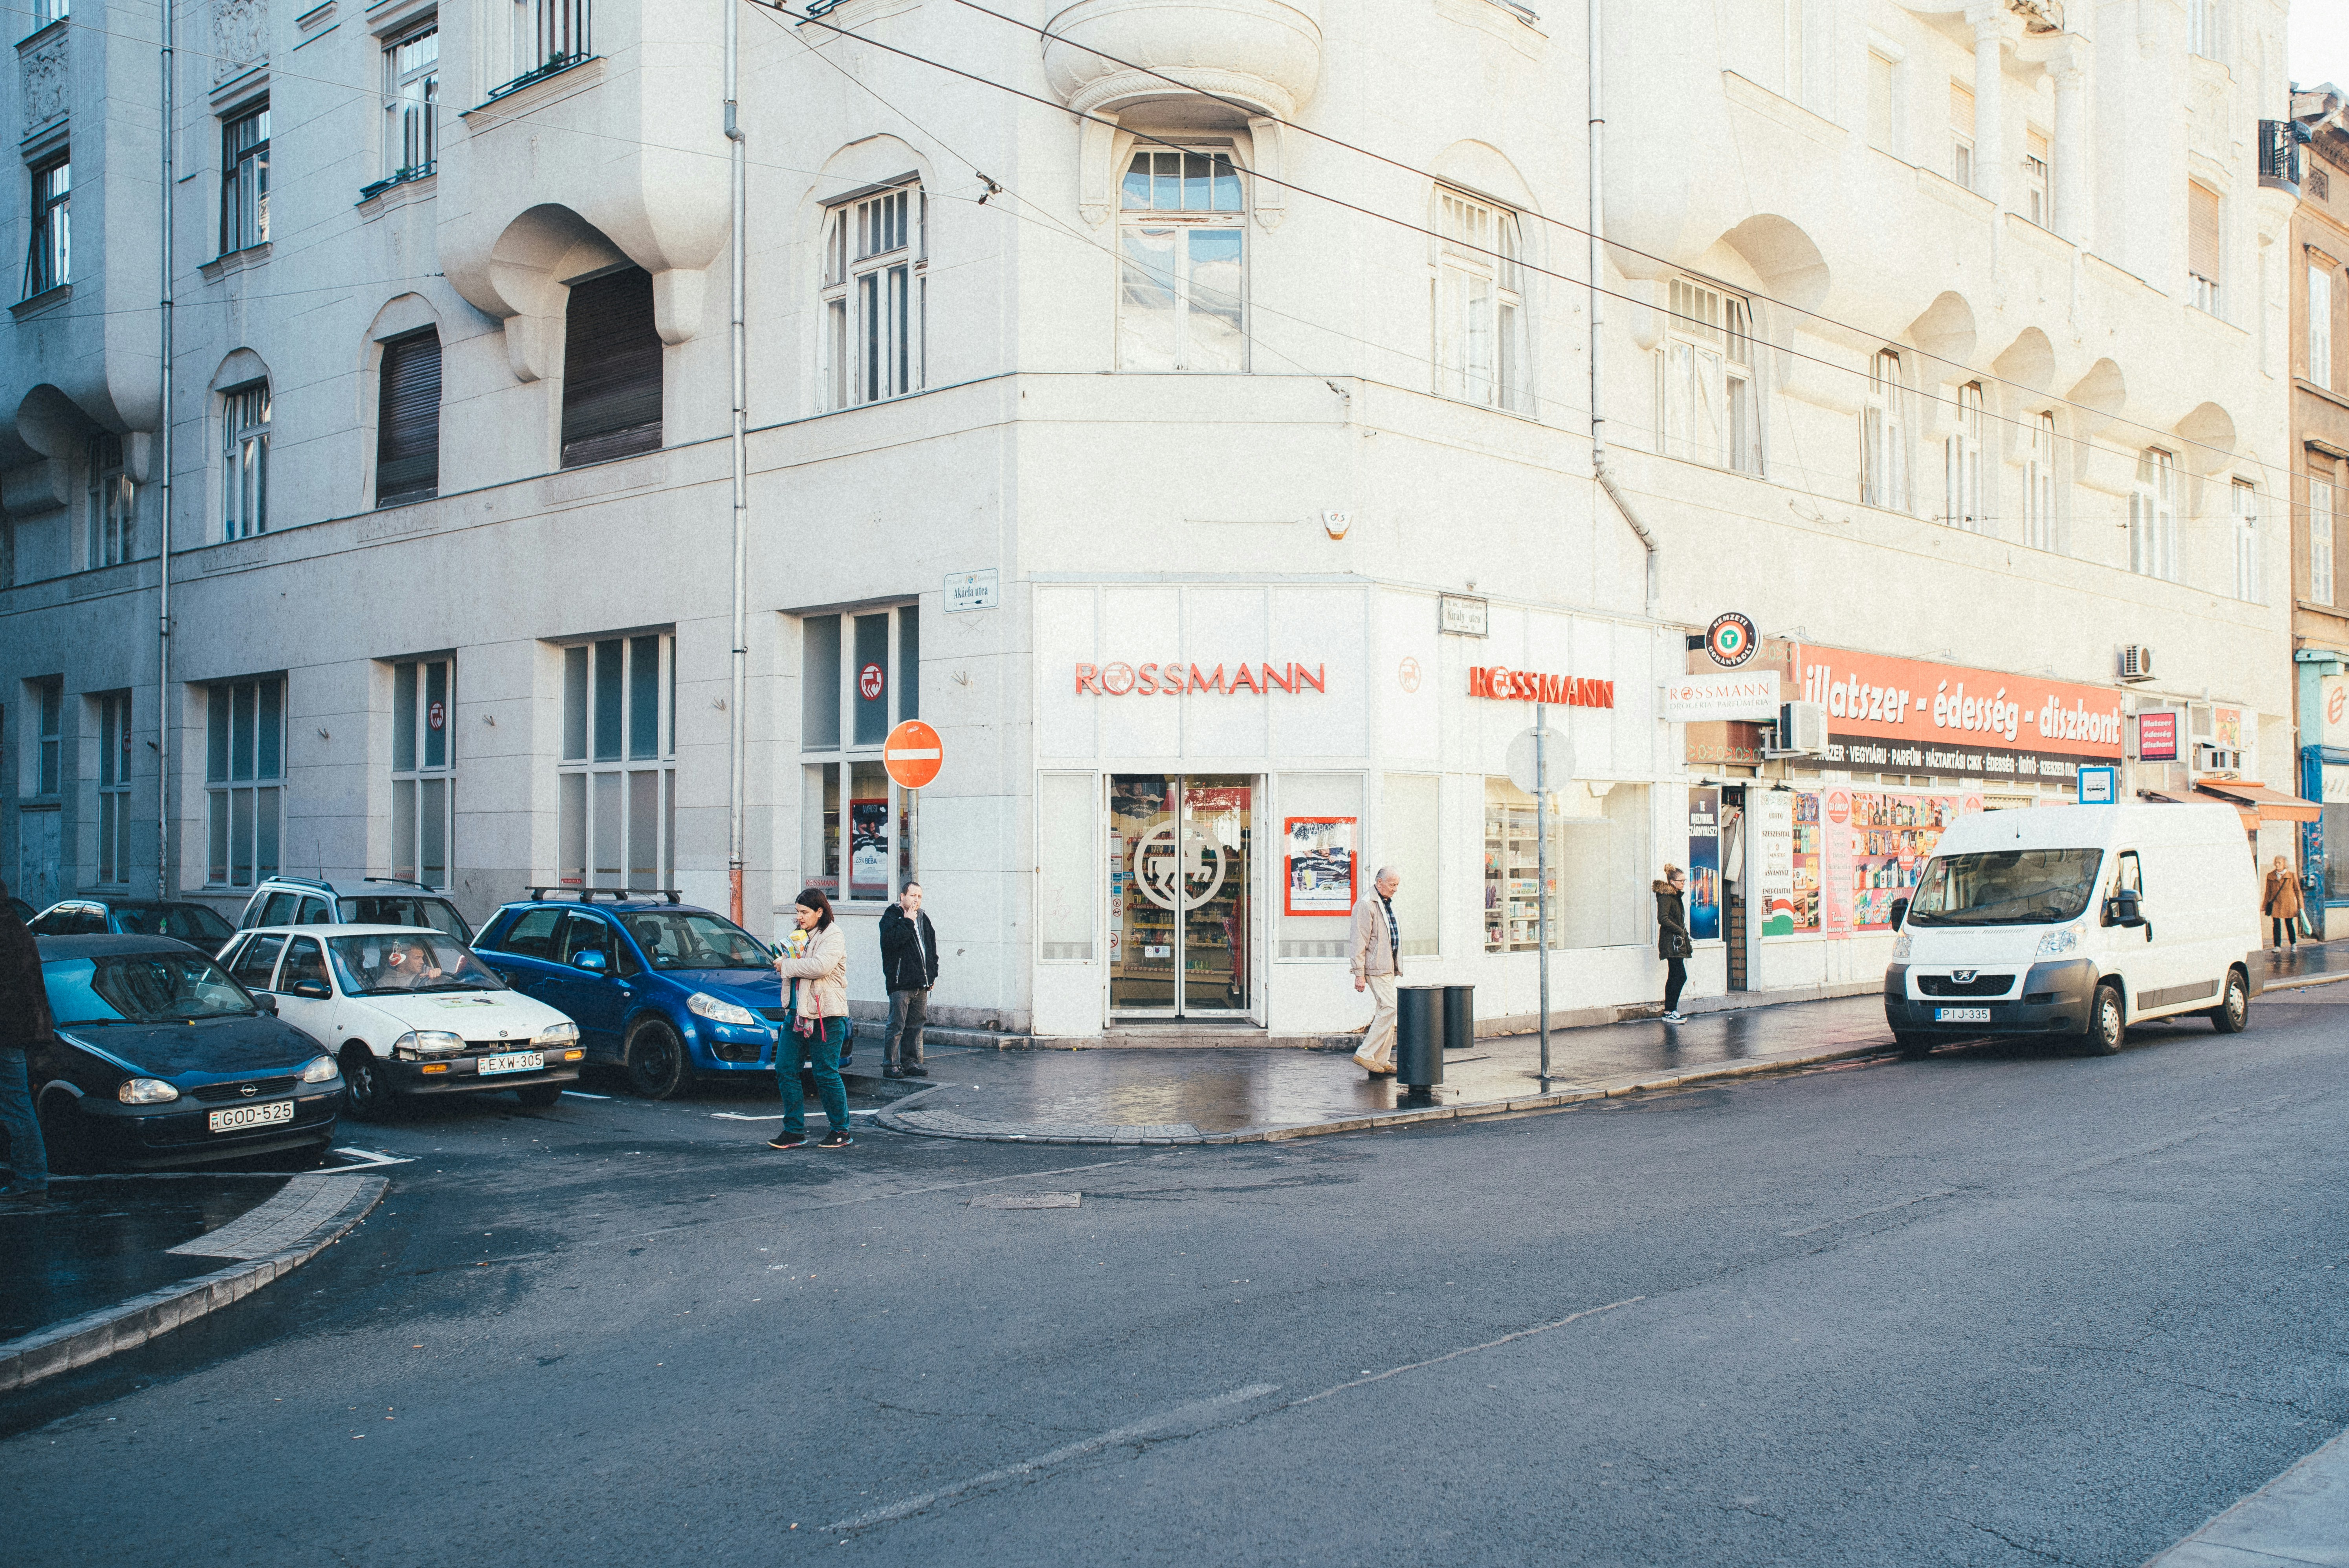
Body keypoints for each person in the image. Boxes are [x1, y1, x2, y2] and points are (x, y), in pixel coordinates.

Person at [769, 888, 853, 1150]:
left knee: (825, 1072)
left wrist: (787, 965)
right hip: (797, 1013)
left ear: (820, 911)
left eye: (804, 912)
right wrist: (784, 961)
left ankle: (841, 1130)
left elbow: (820, 966)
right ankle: (793, 1130)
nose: (800, 917)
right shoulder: (800, 936)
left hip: (826, 1014)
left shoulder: (833, 935)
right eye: (797, 912)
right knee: (784, 1068)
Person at [0, 883, 52, 1203]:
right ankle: (31, 1175)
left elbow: (10, 990)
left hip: (8, 1032)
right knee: (17, 1106)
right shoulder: (14, 925)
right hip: (16, 1031)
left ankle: (32, 1176)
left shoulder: (6, 931)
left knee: (17, 1108)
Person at [878, 882, 938, 1080]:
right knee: (897, 1025)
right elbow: (892, 943)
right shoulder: (892, 916)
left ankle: (909, 1062)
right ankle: (891, 1064)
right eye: (913, 896)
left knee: (915, 1024)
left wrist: (932, 975)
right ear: (902, 895)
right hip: (900, 982)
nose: (916, 900)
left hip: (921, 983)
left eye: (920, 897)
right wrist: (907, 921)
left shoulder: (923, 918)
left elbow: (930, 948)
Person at [1348, 867, 1403, 1077]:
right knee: (1390, 1007)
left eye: (1397, 885)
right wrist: (1359, 974)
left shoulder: (1385, 903)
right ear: (1379, 883)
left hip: (1387, 967)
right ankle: (1365, 1053)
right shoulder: (1366, 904)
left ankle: (1381, 1059)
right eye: (1392, 885)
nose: (1396, 889)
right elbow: (1358, 941)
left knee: (1386, 1009)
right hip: (1375, 968)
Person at [1653, 865, 1692, 1024]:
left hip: (1676, 941)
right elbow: (1662, 918)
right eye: (1681, 881)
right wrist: (1679, 930)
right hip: (1671, 942)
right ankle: (1670, 1011)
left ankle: (1670, 1011)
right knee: (1680, 976)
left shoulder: (1675, 896)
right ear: (1672, 881)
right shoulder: (1666, 896)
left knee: (1675, 975)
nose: (1684, 883)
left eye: (1684, 880)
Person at [2263, 855, 2304, 950]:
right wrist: (2264, 906)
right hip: (2276, 904)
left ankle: (2293, 944)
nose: (2277, 865)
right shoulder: (2271, 875)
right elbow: (2268, 892)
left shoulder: (2291, 875)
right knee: (2276, 925)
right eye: (2276, 863)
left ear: (2284, 864)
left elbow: (2297, 891)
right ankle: (2277, 946)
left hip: (2288, 904)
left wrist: (2300, 906)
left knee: (2289, 924)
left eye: (2279, 863)